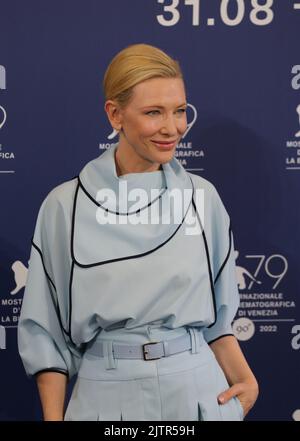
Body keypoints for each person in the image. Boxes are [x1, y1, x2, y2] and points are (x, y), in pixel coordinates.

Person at [18, 43, 259, 421]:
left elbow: (218, 320)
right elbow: (45, 327)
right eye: (153, 112)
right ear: (115, 114)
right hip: (105, 394)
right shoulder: (66, 205)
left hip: (197, 392)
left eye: (179, 111)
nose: (172, 127)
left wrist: (246, 381)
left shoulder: (203, 199)